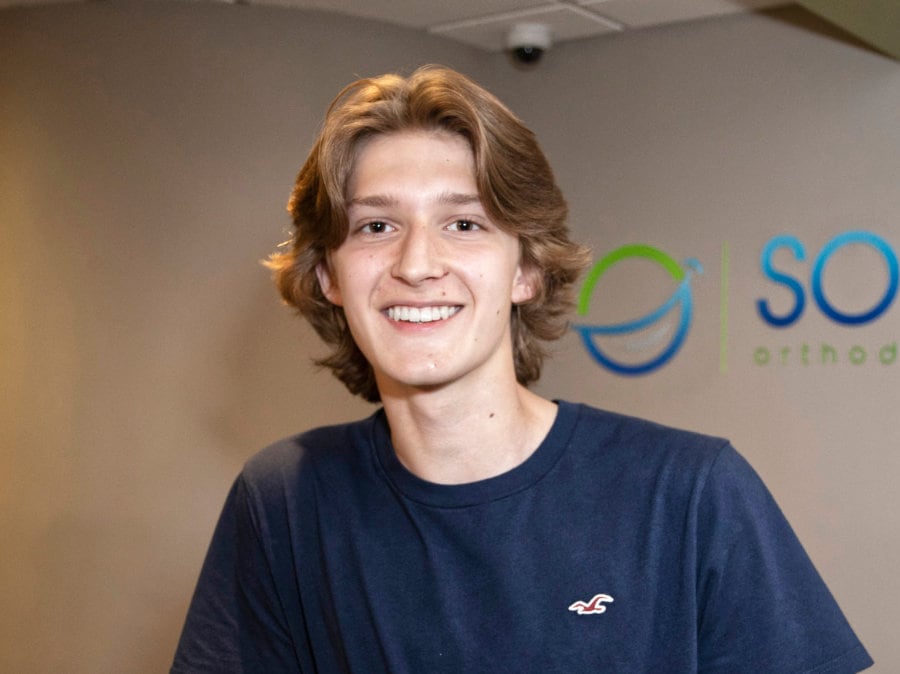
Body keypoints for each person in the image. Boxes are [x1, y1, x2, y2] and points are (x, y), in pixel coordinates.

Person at [172, 65, 873, 673]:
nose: (417, 264)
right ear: (328, 275)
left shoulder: (688, 494)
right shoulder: (287, 502)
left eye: (465, 224)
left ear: (528, 270)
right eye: (375, 227)